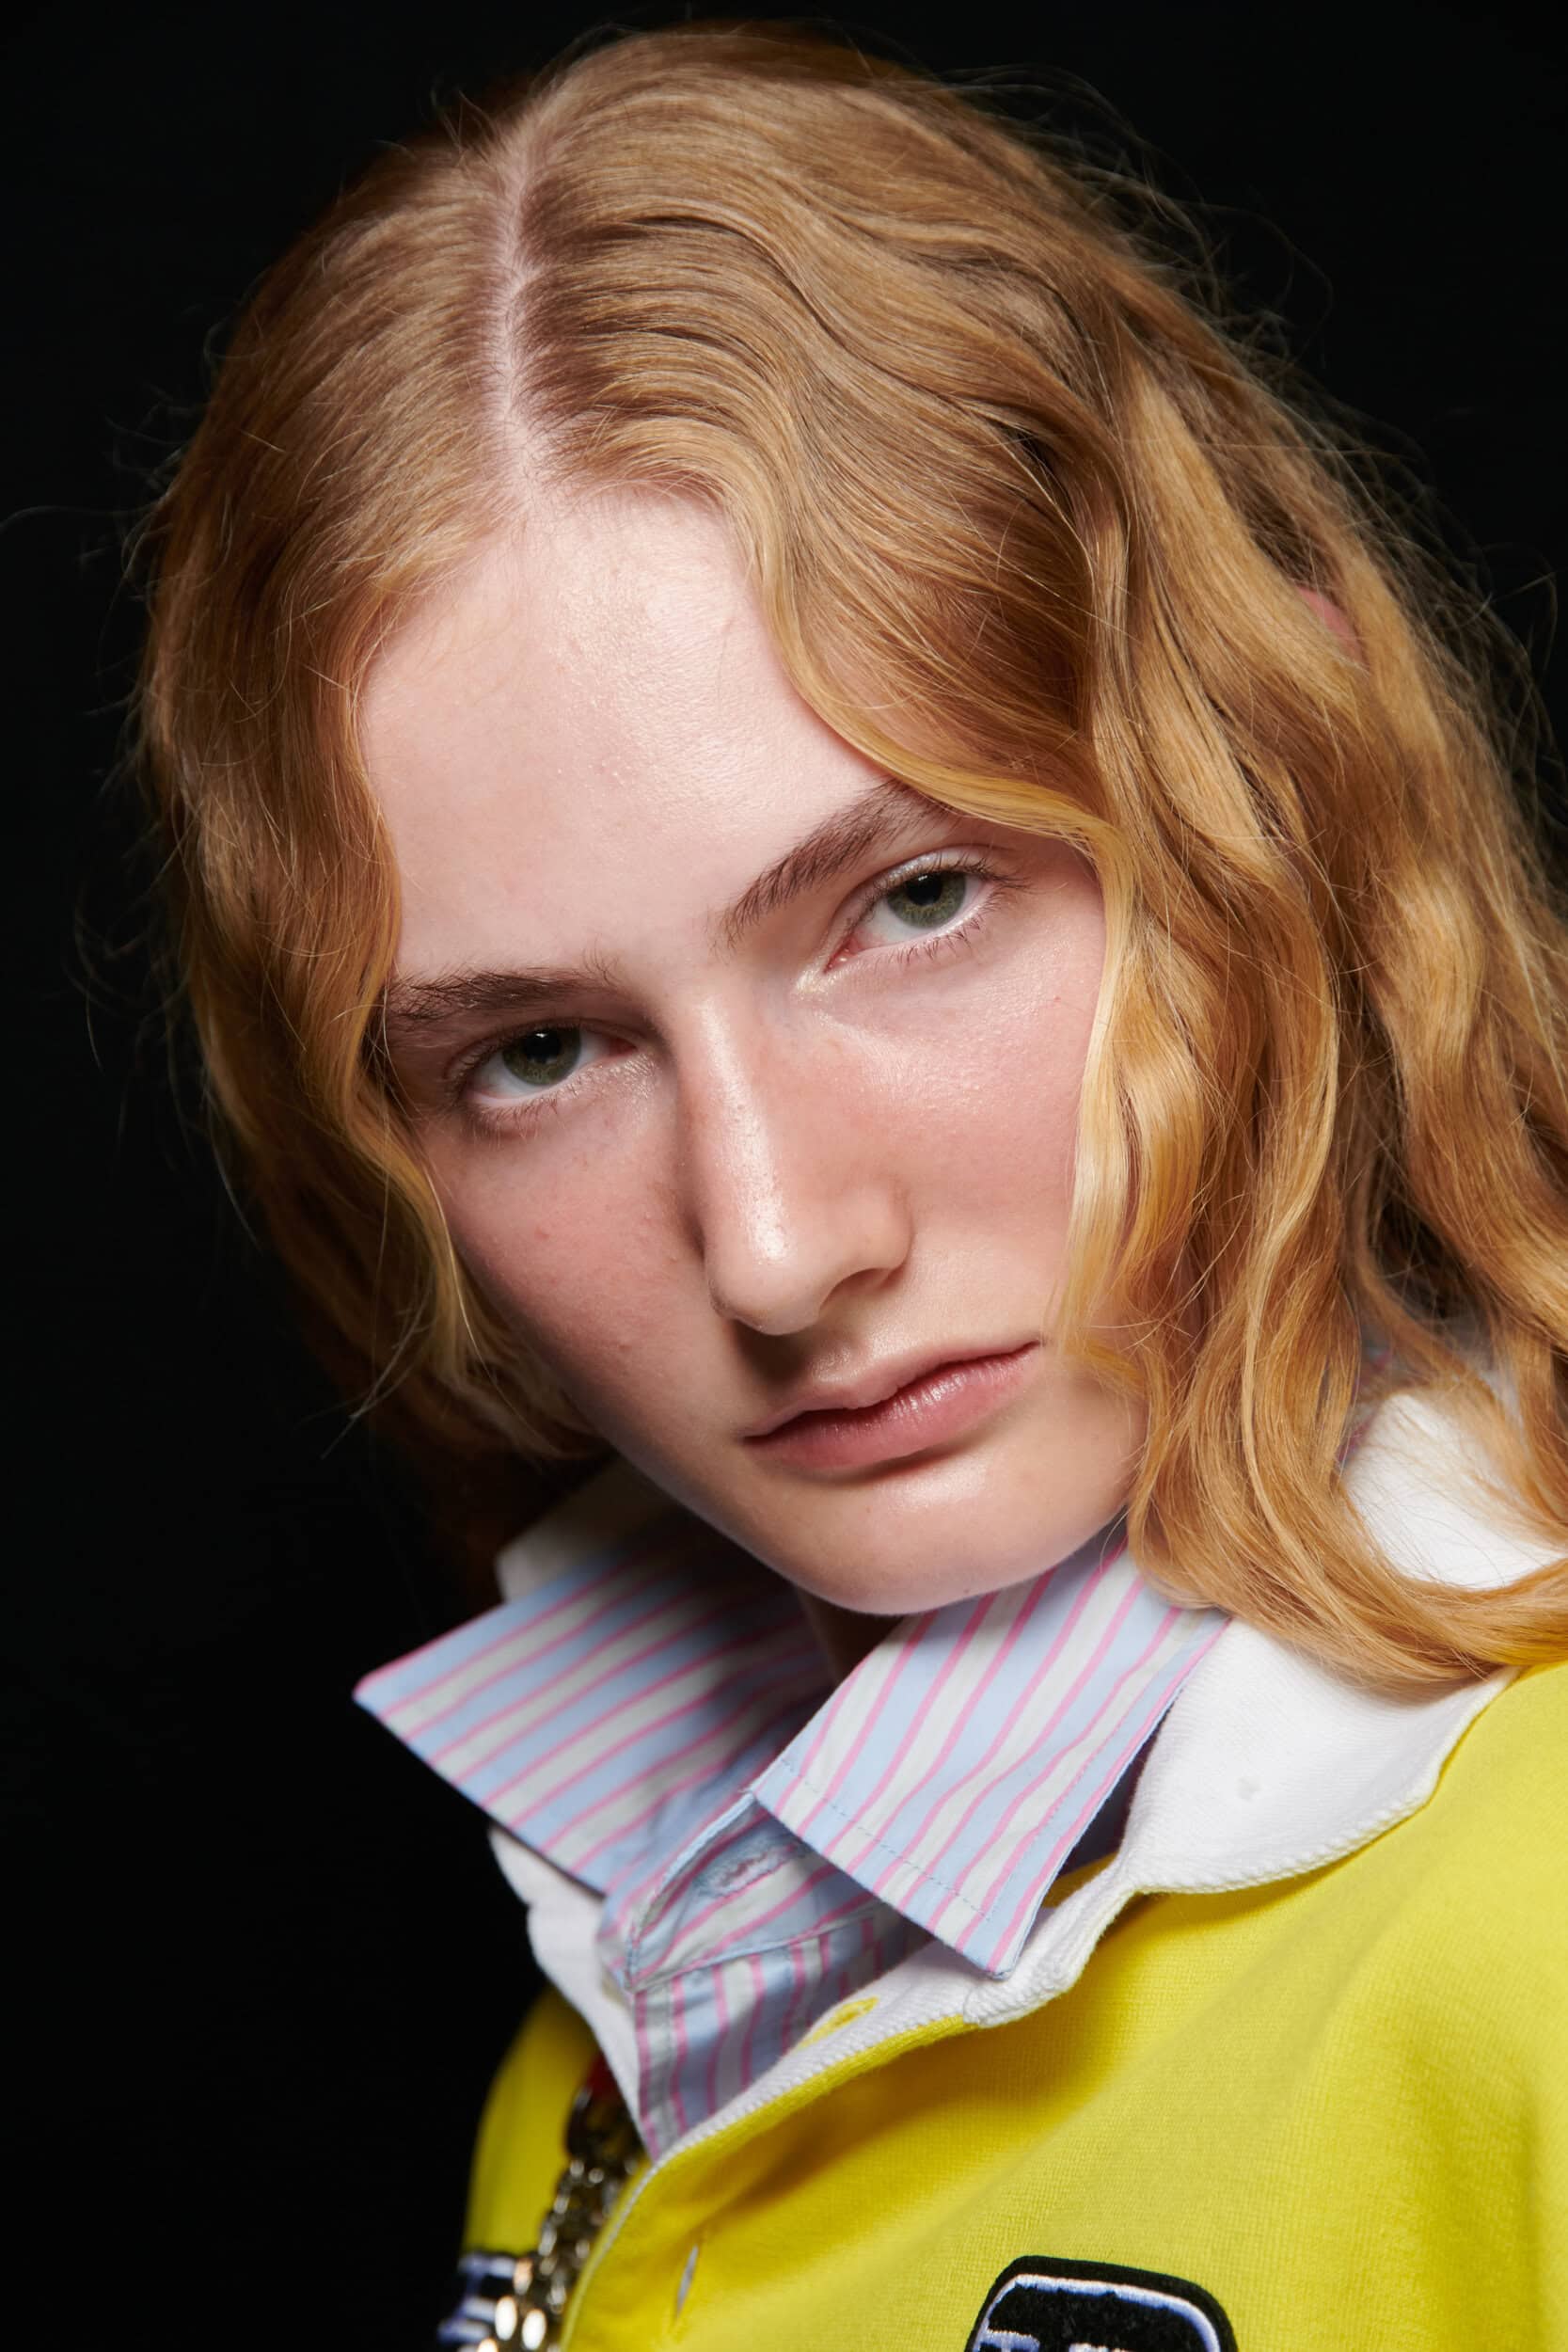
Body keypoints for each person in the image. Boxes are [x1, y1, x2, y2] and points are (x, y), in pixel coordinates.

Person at [135, 22, 1568, 2350]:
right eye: (537, 1052)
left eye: (909, 904)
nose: (782, 1245)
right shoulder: (626, 1944)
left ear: (1276, 786)